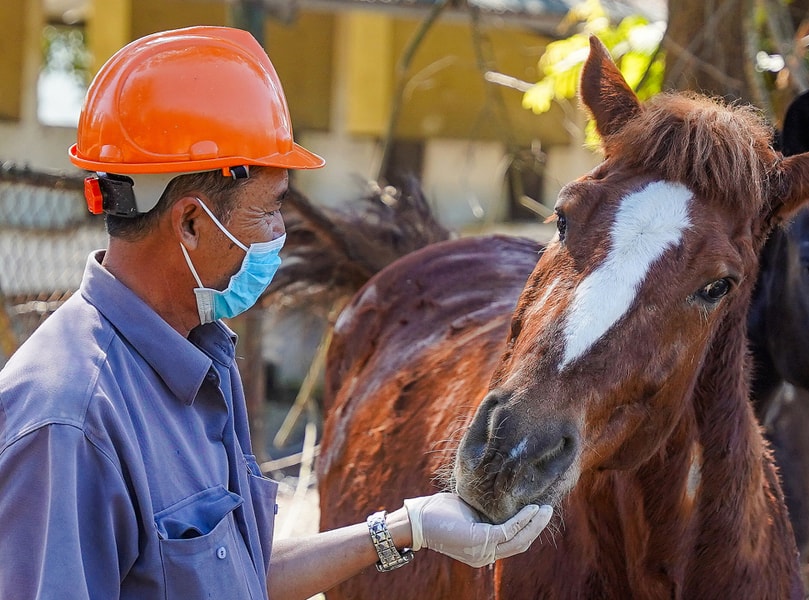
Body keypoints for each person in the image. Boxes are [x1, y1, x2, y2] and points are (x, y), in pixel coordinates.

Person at [0, 26, 552, 600]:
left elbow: (238, 573)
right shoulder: (70, 420)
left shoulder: (199, 355)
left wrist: (408, 529)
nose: (280, 236)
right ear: (191, 224)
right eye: (268, 212)